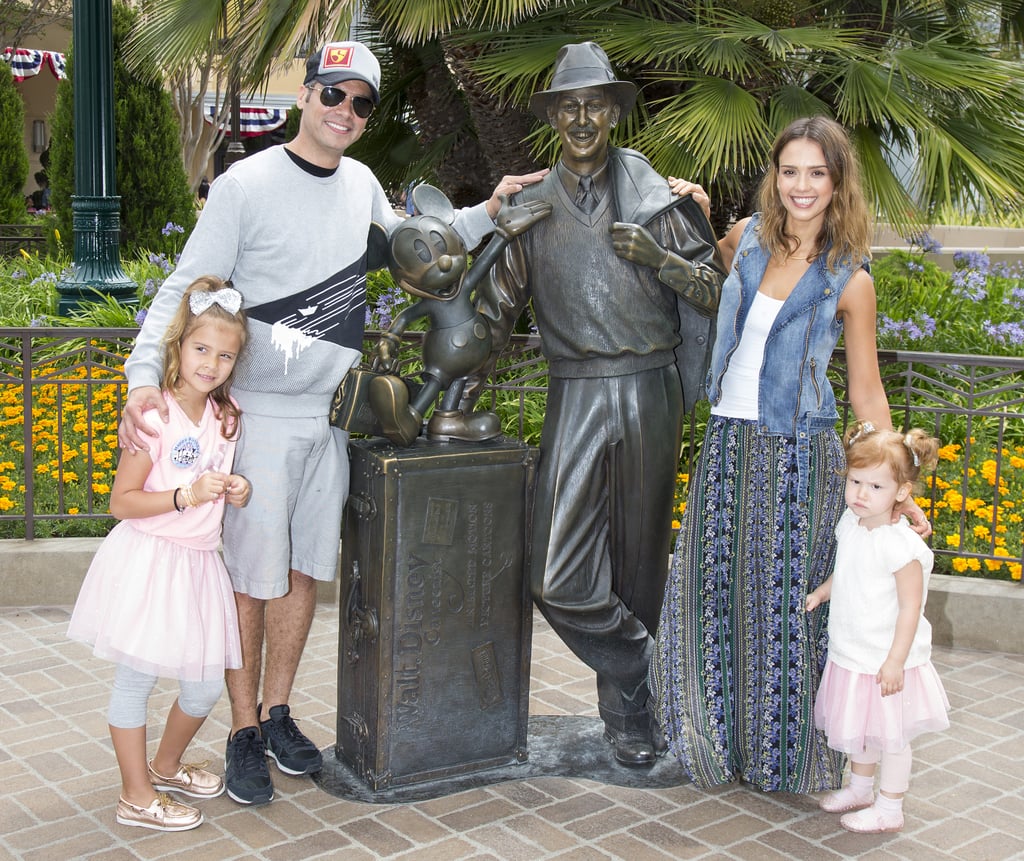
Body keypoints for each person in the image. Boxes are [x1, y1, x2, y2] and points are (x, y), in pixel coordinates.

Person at [117, 40, 547, 805]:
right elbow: (185, 284)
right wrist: (144, 377)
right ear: (306, 96)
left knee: (302, 573)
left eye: (361, 103)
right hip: (263, 418)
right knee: (249, 581)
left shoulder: (363, 186)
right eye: (333, 95)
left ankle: (279, 712)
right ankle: (244, 728)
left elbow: (420, 246)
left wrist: (490, 209)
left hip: (329, 417)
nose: (344, 112)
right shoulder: (245, 185)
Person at [464, 41, 726, 767]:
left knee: (638, 561)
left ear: (611, 112)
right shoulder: (532, 208)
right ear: (554, 117)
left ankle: (630, 719)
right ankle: (646, 665)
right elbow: (491, 315)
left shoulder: (654, 198)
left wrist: (658, 257)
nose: (581, 118)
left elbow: (711, 293)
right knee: (551, 568)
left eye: (593, 105)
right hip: (576, 388)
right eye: (567, 106)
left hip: (650, 387)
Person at [650, 116, 930, 793]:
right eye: (790, 170)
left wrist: (898, 487)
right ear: (775, 176)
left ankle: (789, 757)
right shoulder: (745, 240)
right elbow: (696, 269)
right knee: (715, 591)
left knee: (787, 609)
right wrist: (704, 213)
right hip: (727, 442)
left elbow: (867, 390)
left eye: (816, 173)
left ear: (837, 184)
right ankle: (715, 741)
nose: (801, 186)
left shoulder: (848, 278)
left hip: (798, 454)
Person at [68, 276, 251, 831]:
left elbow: (210, 478)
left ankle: (165, 766)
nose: (211, 363)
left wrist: (236, 487)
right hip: (150, 562)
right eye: (201, 348)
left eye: (225, 354)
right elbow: (122, 502)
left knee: (200, 685)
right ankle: (134, 794)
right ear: (177, 348)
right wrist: (184, 496)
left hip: (198, 565)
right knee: (137, 680)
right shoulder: (154, 416)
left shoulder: (228, 415)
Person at [806, 420, 949, 834]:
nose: (861, 494)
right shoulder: (850, 525)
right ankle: (861, 787)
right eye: (855, 482)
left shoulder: (901, 546)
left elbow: (910, 609)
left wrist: (895, 661)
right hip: (853, 651)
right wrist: (823, 592)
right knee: (861, 729)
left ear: (902, 493)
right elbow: (847, 572)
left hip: (887, 661)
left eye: (875, 487)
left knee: (893, 736)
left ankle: (890, 806)